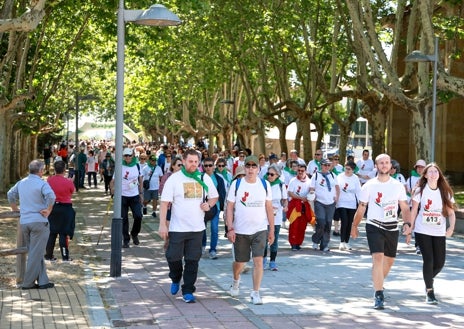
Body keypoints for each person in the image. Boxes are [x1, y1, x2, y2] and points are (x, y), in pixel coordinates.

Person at [351, 153, 412, 310]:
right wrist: (354, 225)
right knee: (378, 258)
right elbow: (362, 207)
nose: (384, 165)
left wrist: (407, 223)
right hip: (374, 225)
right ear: (376, 166)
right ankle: (379, 294)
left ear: (391, 166)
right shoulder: (369, 186)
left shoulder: (397, 185)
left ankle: (378, 282)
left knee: (389, 261)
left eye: (387, 163)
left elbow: (405, 207)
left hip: (392, 227)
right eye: (381, 163)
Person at [158, 149, 219, 303]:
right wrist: (162, 225)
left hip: (197, 228)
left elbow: (214, 196)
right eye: (190, 161)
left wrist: (208, 205)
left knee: (193, 260)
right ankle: (176, 277)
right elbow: (165, 203)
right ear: (184, 161)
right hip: (177, 228)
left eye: (196, 162)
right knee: (173, 256)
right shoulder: (174, 179)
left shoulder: (204, 177)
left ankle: (188, 290)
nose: (193, 165)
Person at [226, 155, 275, 305]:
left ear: (258, 169)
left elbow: (269, 208)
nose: (251, 169)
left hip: (260, 229)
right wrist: (230, 228)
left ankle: (255, 293)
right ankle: (235, 280)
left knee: (258, 261)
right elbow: (229, 207)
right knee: (240, 262)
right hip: (240, 230)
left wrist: (271, 230)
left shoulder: (265, 184)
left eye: (254, 167)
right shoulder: (237, 184)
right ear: (244, 168)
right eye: (248, 166)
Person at [407, 163, 456, 304]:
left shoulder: (444, 192)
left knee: (440, 262)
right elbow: (414, 211)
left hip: (439, 230)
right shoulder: (420, 191)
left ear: (439, 175)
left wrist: (451, 227)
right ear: (426, 175)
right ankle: (430, 291)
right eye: (431, 172)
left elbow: (451, 213)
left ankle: (428, 278)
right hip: (423, 230)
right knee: (428, 260)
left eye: (436, 171)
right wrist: (410, 228)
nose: (434, 174)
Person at [7, 160, 56, 289]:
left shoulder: (21, 183)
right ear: (40, 171)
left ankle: (43, 281)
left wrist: (14, 208)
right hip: (39, 222)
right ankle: (27, 283)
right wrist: (49, 209)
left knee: (35, 252)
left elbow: (10, 194)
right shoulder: (41, 184)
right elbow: (51, 196)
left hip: (25, 222)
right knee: (36, 253)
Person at [110, 147, 144, 248]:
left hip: (134, 195)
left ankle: (134, 233)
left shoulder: (137, 165)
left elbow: (140, 179)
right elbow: (113, 180)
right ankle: (126, 239)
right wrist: (112, 188)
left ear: (133, 156)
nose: (128, 157)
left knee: (138, 216)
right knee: (124, 218)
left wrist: (141, 193)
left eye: (129, 155)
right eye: (126, 156)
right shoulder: (120, 166)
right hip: (122, 195)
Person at [45, 160, 76, 261]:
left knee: (52, 232)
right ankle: (65, 256)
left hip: (52, 207)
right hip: (65, 208)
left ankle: (48, 255)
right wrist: (71, 181)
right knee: (63, 233)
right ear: (64, 170)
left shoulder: (49, 180)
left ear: (54, 169)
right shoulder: (67, 182)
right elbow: (73, 191)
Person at [309, 158, 340, 252]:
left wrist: (337, 198)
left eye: (328, 165)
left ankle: (324, 244)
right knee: (321, 222)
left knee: (328, 224)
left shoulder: (333, 175)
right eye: (325, 165)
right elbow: (312, 188)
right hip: (320, 202)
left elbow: (337, 187)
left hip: (331, 203)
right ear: (321, 165)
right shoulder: (316, 175)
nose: (327, 167)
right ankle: (316, 240)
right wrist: (312, 194)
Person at [263, 164, 288, 270]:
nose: (269, 176)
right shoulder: (263, 183)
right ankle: (263, 259)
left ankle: (272, 261)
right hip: (264, 214)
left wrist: (285, 206)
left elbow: (284, 199)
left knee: (274, 238)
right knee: (263, 238)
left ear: (277, 175)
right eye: (268, 173)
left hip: (276, 215)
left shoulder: (281, 185)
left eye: (272, 174)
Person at [201, 157, 226, 259]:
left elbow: (222, 193)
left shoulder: (219, 179)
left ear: (214, 166)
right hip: (203, 208)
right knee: (202, 228)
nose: (208, 168)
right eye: (206, 165)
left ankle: (213, 250)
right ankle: (202, 247)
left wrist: (223, 207)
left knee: (214, 229)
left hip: (216, 207)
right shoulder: (200, 177)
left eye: (210, 165)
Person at [287, 164, 314, 250]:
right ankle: (293, 243)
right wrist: (300, 198)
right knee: (294, 224)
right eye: (299, 171)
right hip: (295, 205)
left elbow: (311, 191)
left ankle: (299, 243)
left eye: (302, 171)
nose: (300, 172)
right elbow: (290, 193)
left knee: (302, 225)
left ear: (305, 171)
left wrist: (311, 194)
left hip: (305, 206)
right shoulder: (293, 180)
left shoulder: (309, 181)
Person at [336, 161, 361, 250]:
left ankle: (347, 241)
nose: (347, 170)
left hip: (351, 203)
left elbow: (358, 191)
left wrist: (360, 204)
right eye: (346, 168)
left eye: (349, 169)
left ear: (353, 170)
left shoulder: (355, 178)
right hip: (341, 202)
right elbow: (336, 188)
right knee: (344, 221)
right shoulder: (340, 177)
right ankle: (341, 242)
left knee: (349, 223)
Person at [406, 159, 427, 254]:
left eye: (422, 167)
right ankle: (418, 245)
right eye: (418, 167)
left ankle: (423, 244)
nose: (420, 169)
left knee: (423, 225)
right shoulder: (411, 178)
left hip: (425, 205)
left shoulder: (428, 178)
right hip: (413, 204)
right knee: (416, 224)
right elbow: (408, 190)